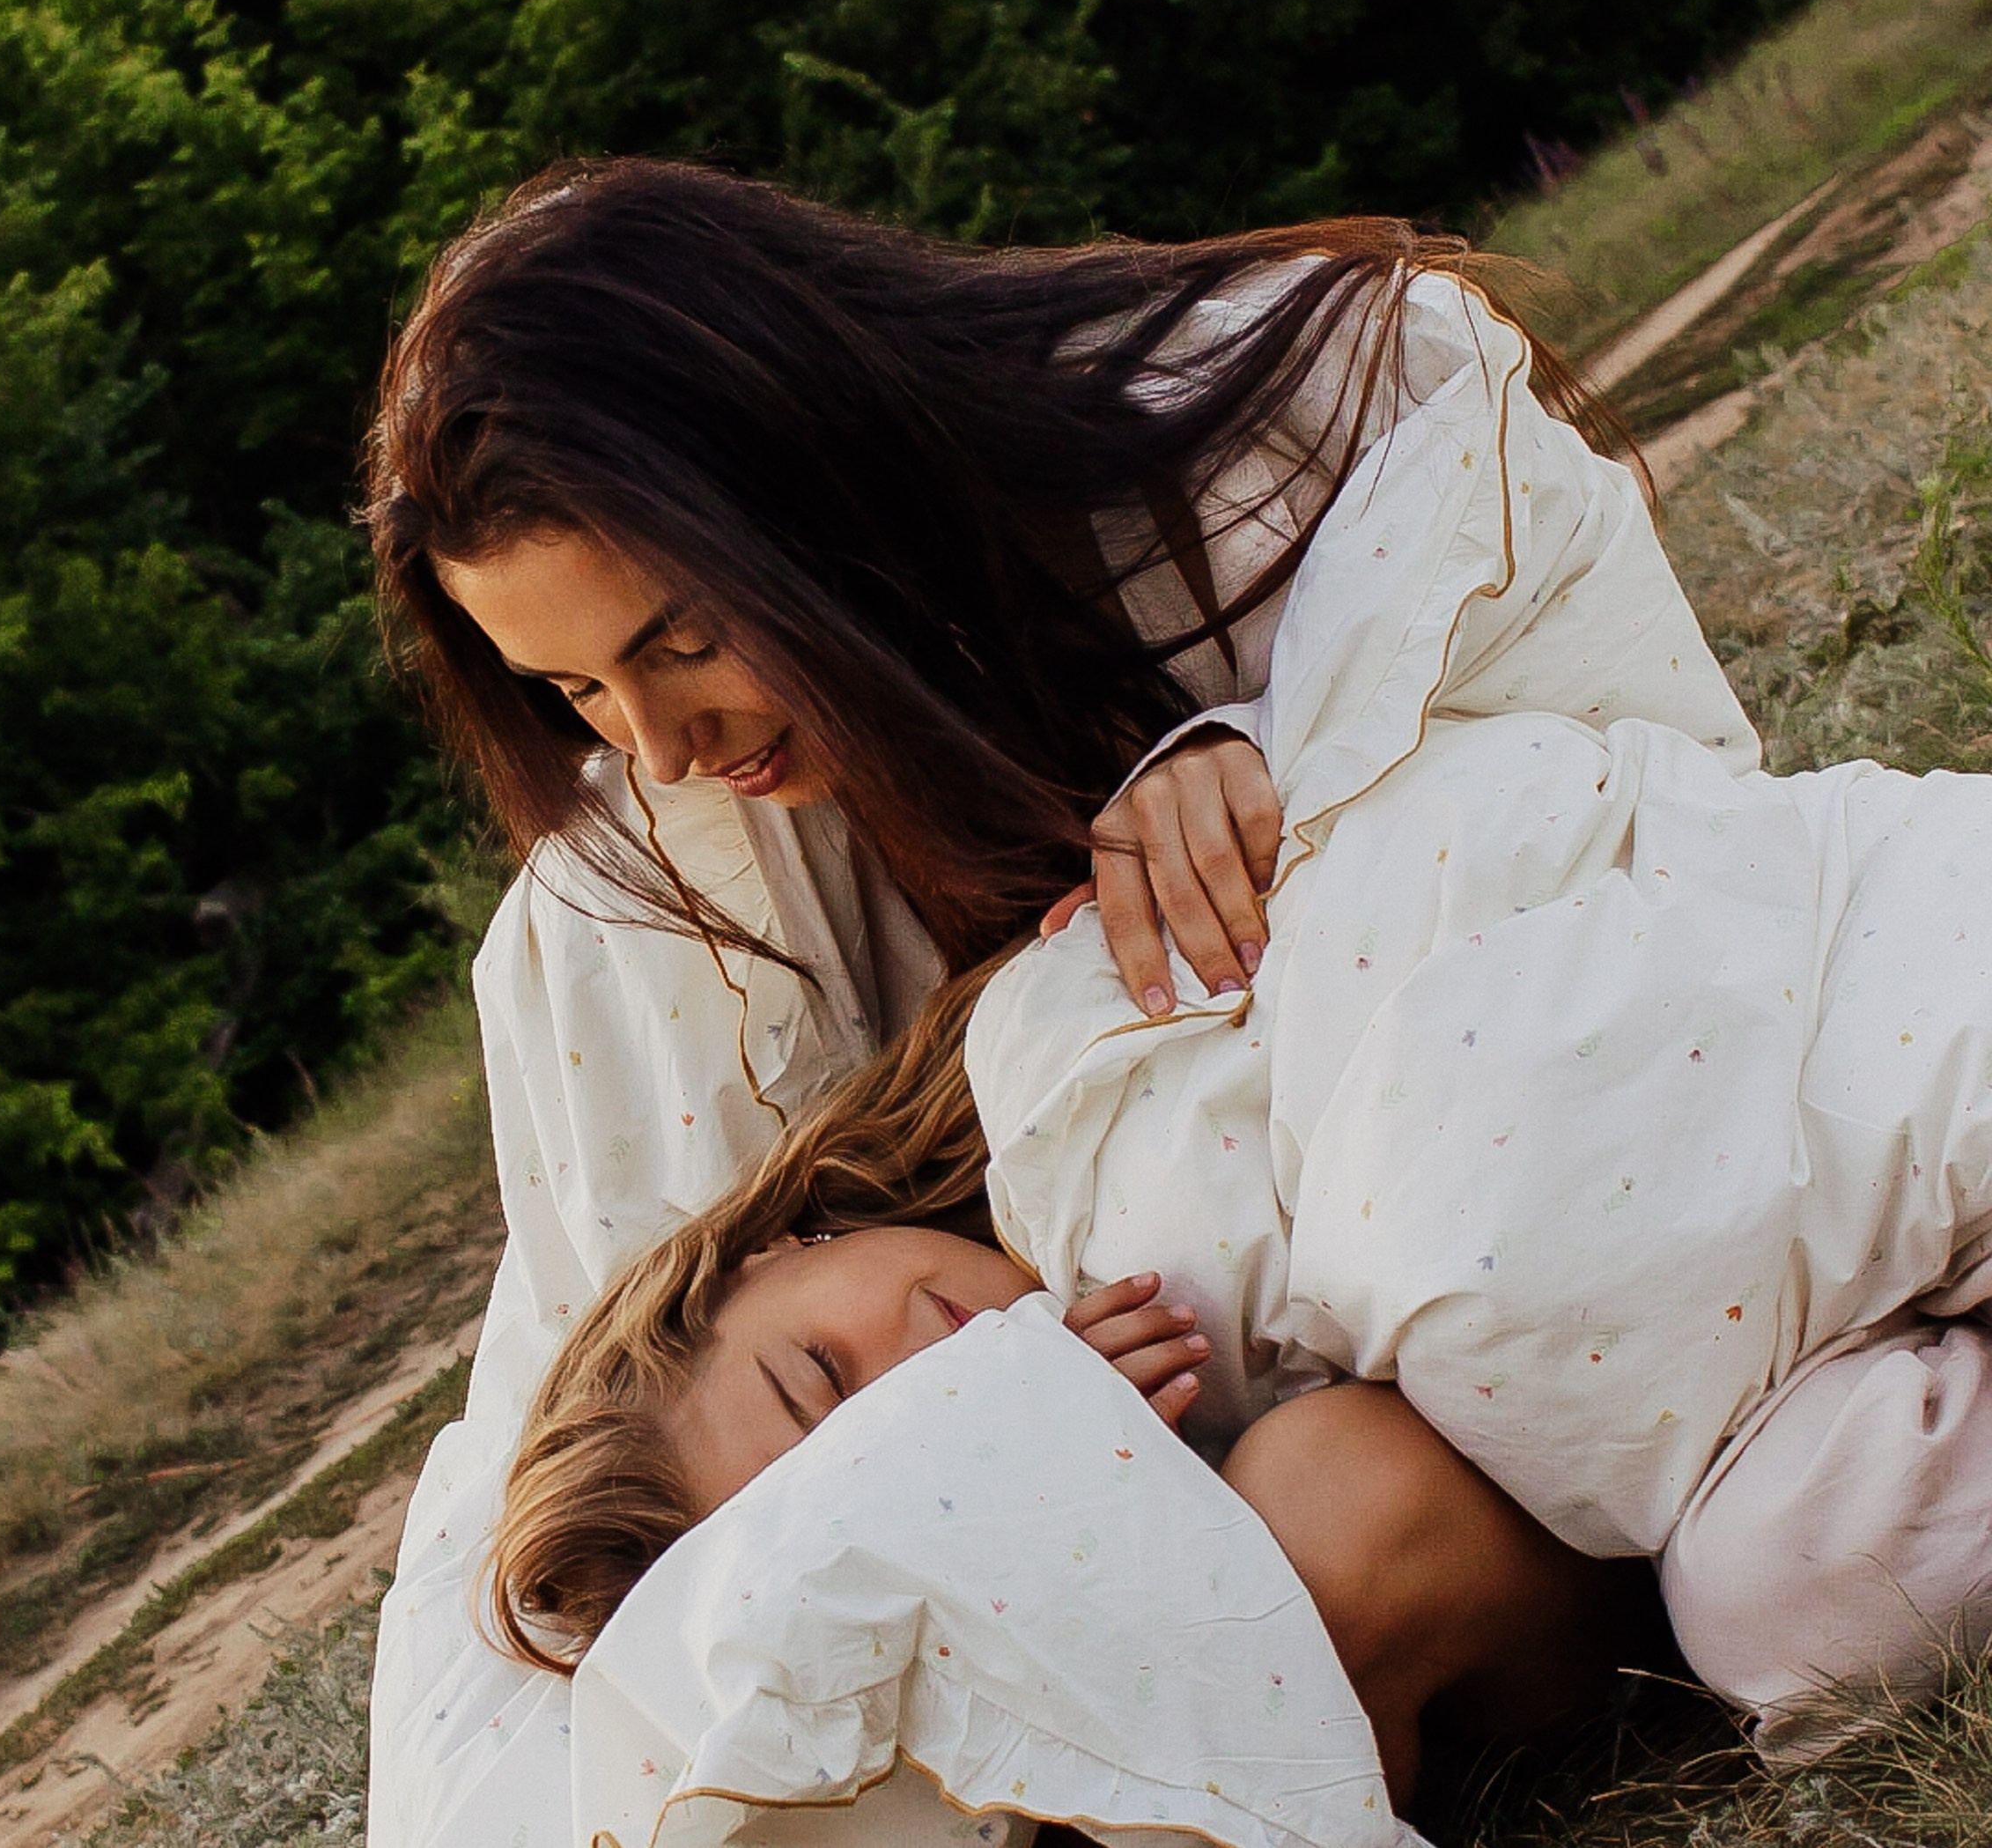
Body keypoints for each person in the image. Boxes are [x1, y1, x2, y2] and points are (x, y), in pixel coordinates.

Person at [358, 158, 1663, 1847]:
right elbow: (668, 1491)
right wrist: (1018, 1464)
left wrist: (1291, 779)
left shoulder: (1268, 442)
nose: (656, 746)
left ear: (801, 485)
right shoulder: (659, 901)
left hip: (1499, 1306)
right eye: (573, 690)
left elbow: (1622, 823)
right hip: (1166, 1524)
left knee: (1330, 1517)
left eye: (676, 639)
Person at [486, 966, 1647, 1806]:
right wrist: (1081, 1483)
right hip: (1534, 1576)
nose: (931, 1387)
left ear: (767, 1255)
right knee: (1308, 1523)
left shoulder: (1039, 1075)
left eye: (825, 1373)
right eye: (889, 1468)